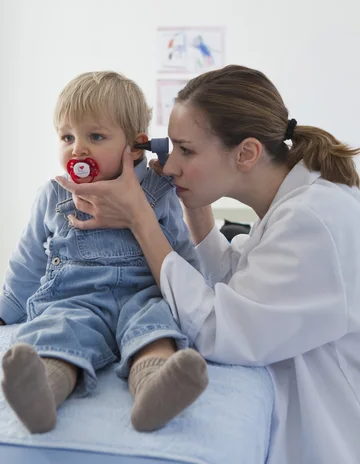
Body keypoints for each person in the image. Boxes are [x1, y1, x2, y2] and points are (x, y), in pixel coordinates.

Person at [54, 65, 360, 464]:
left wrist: (140, 218)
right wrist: (193, 210)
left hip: (325, 439)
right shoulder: (299, 202)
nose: (169, 166)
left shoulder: (312, 220)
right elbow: (238, 282)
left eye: (187, 150)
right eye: (170, 149)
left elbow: (222, 330)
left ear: (246, 153)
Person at [0, 71, 208, 434]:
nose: (78, 149)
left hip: (143, 296)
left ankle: (156, 388)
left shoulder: (159, 190)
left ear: (136, 146)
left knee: (156, 331)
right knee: (56, 333)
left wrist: (198, 299)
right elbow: (28, 258)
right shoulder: (55, 194)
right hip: (75, 299)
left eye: (95, 136)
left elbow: (182, 252)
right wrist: (5, 307)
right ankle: (40, 392)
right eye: (67, 136)